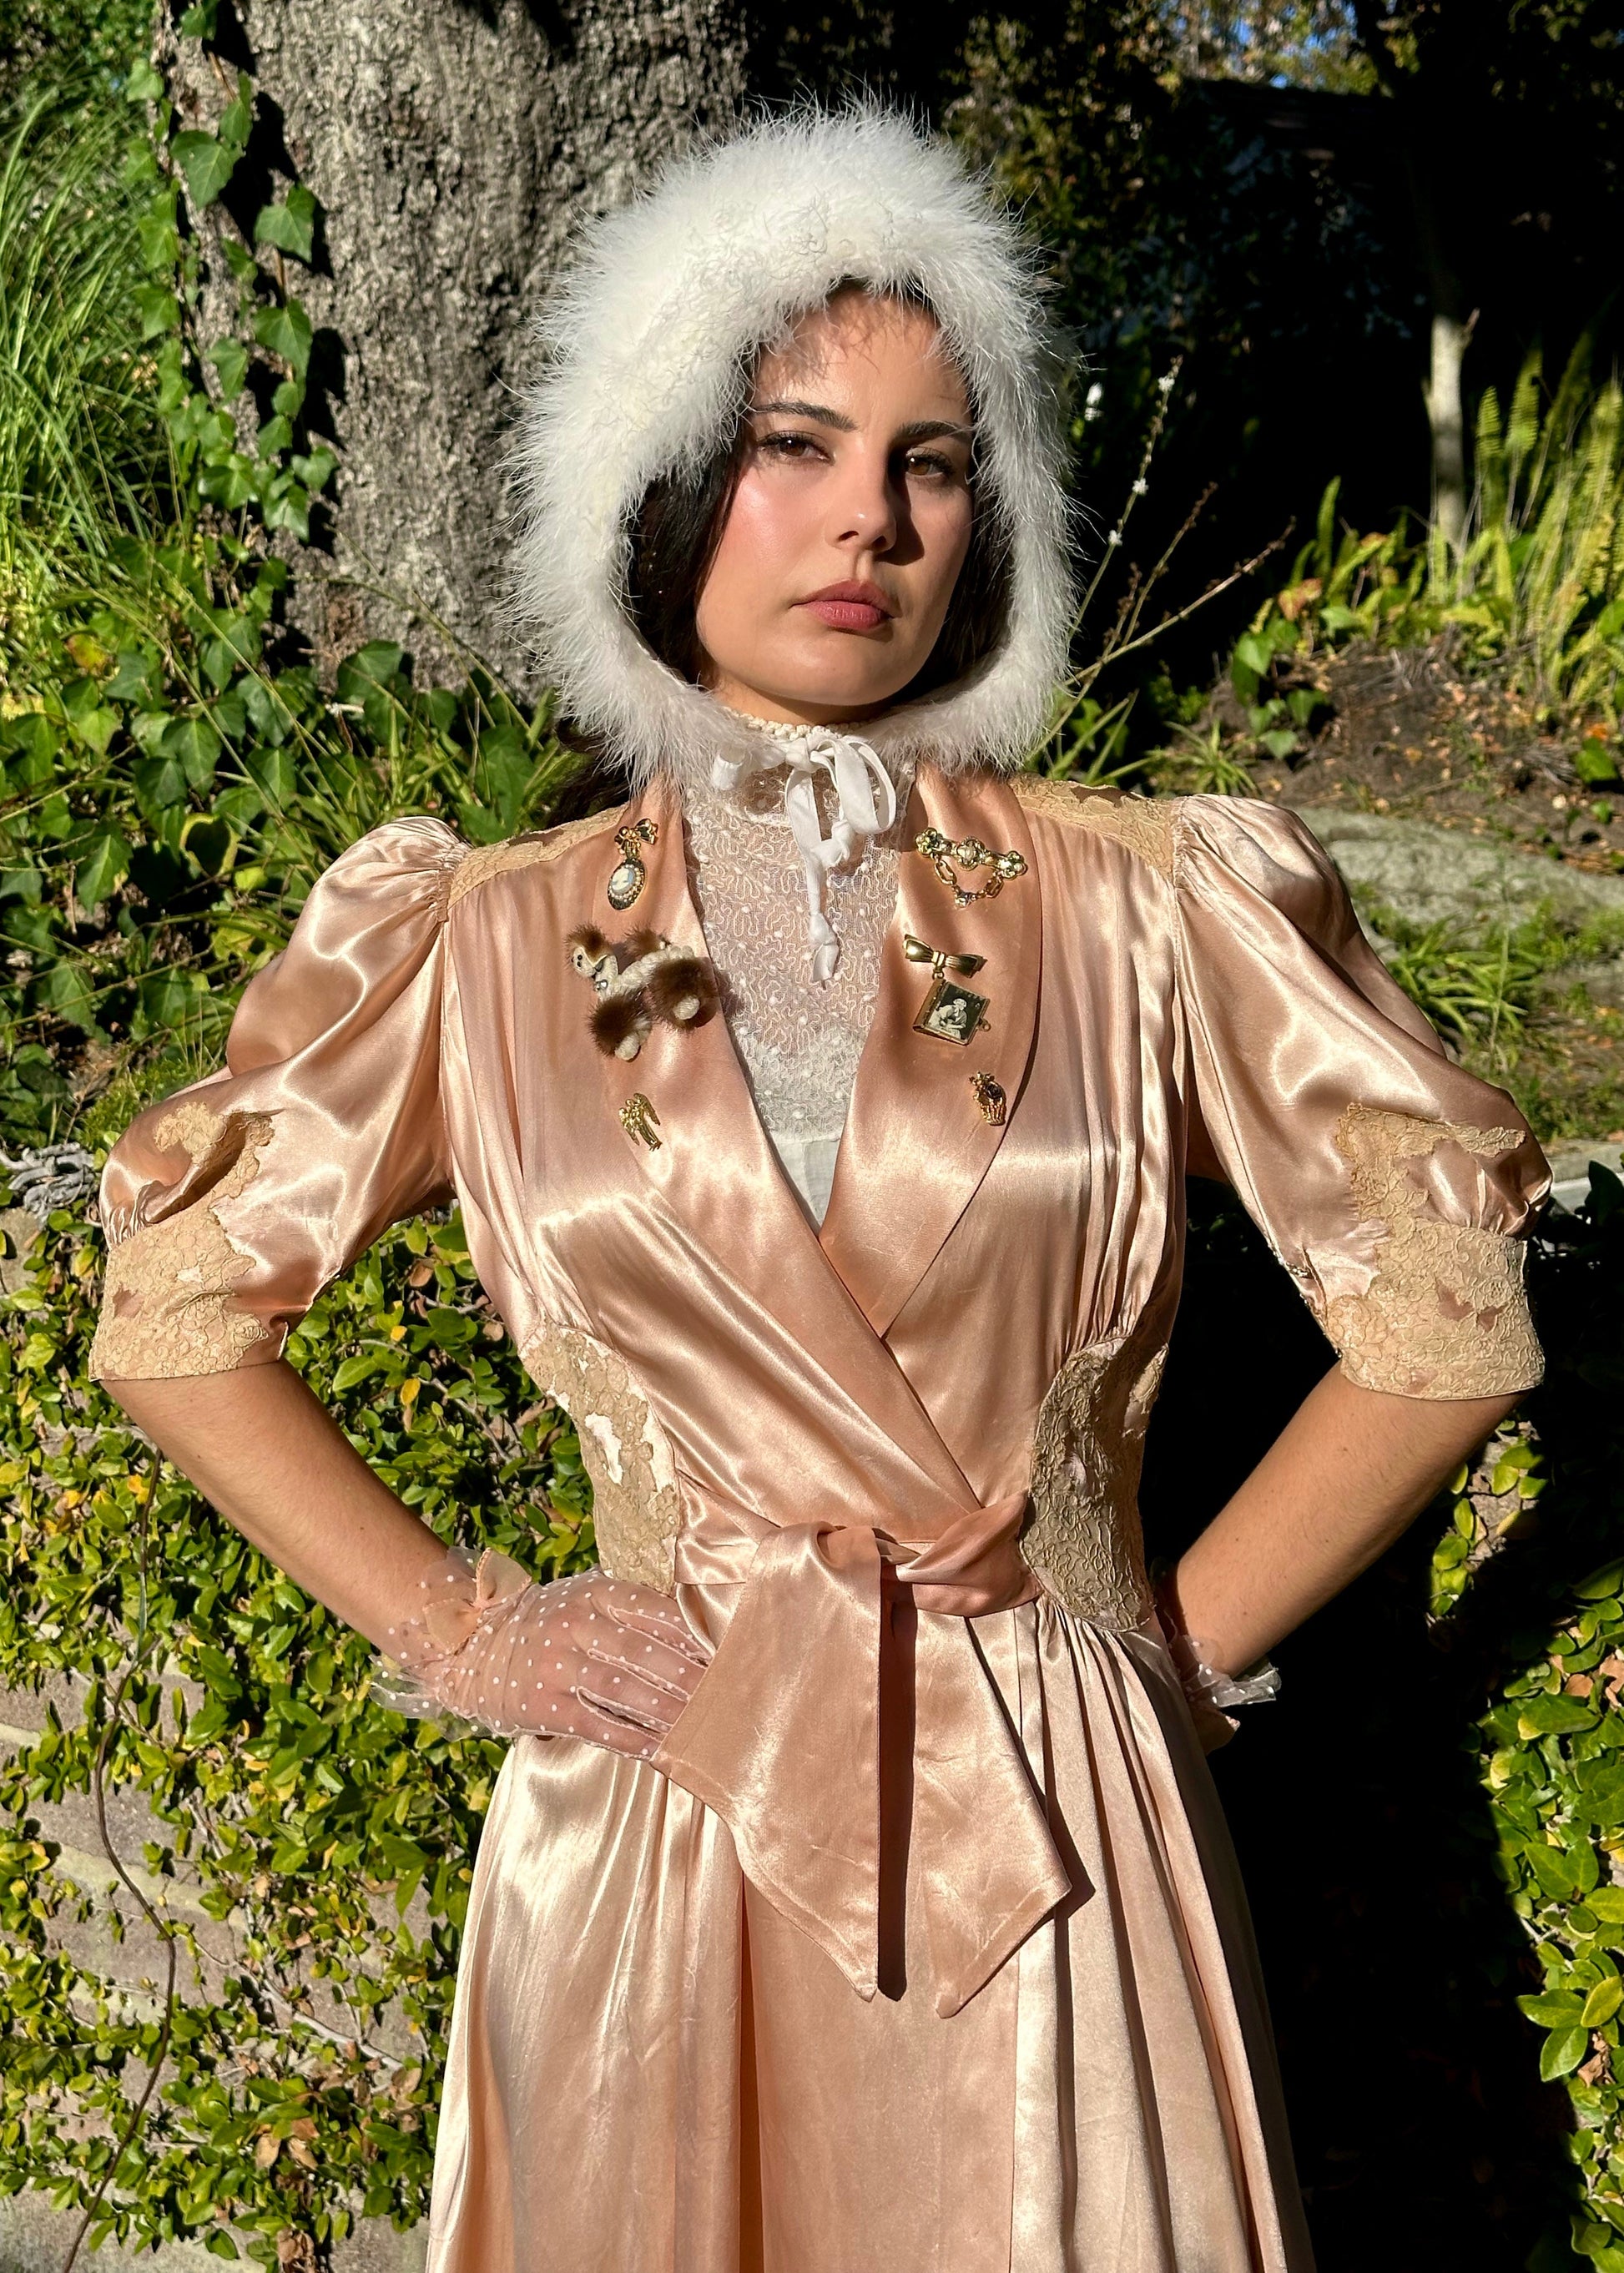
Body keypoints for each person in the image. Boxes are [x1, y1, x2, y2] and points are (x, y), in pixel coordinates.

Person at [89, 104, 1551, 2273]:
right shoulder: (483, 939)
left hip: (1054, 1830)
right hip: (662, 1824)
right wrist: (473, 1625)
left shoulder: (1153, 904)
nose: (868, 514)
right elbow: (179, 1309)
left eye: (933, 462)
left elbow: (1445, 1311)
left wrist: (1153, 1645)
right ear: (664, 478)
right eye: (795, 441)